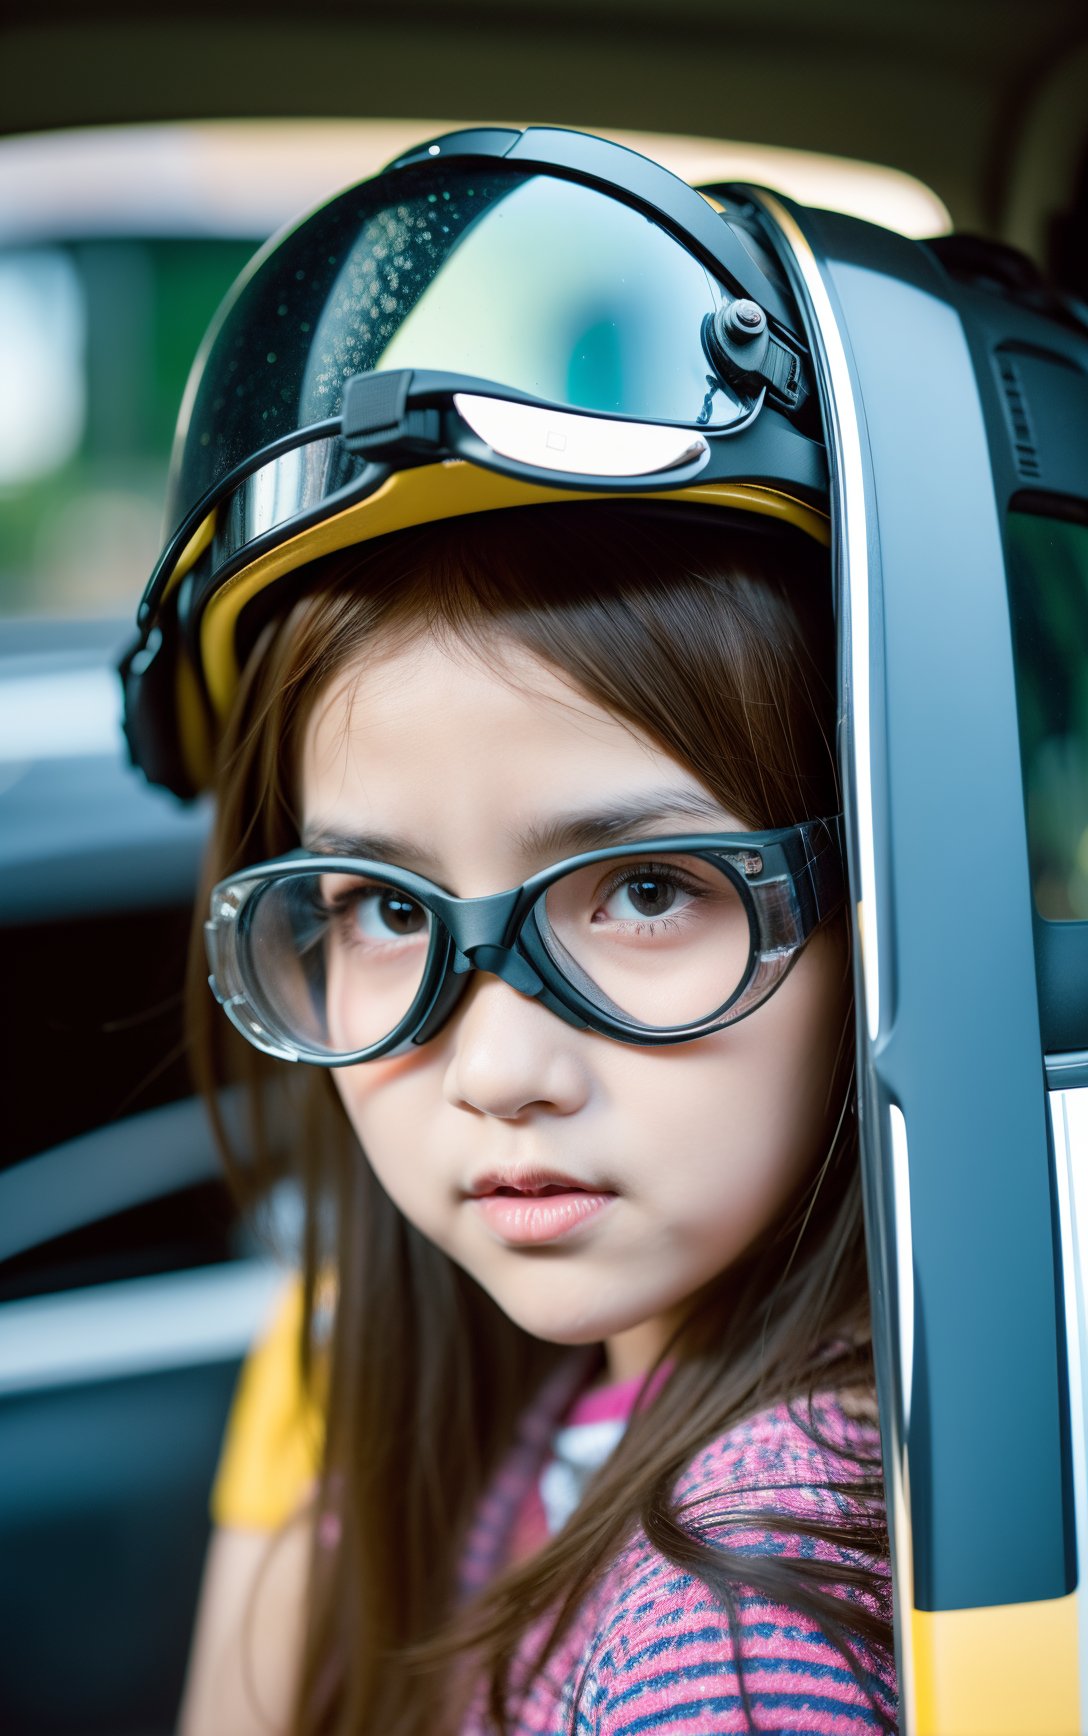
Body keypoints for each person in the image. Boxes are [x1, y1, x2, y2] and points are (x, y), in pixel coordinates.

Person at [122, 129, 898, 1735]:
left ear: (866, 895)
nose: (499, 1067)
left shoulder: (735, 1621)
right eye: (381, 909)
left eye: (644, 891)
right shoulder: (532, 1383)